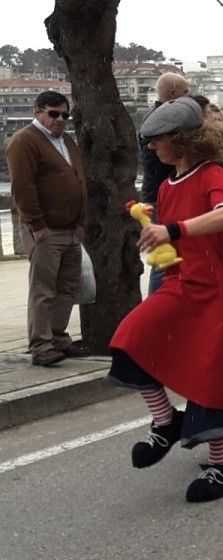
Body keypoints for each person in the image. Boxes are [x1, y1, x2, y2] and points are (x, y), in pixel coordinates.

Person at [109, 96, 223, 502]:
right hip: (181, 284)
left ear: (183, 139)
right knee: (129, 341)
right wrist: (156, 236)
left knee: (212, 378)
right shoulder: (168, 185)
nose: (152, 148)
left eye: (158, 140)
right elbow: (175, 235)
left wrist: (173, 230)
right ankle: (166, 420)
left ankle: (222, 467)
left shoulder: (213, 174)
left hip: (221, 291)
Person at [5, 90, 90, 366]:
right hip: (45, 230)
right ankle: (41, 344)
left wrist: (79, 224)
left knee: (67, 287)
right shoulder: (24, 141)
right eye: (53, 113)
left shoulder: (66, 141)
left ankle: (57, 337)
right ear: (38, 111)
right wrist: (37, 225)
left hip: (71, 229)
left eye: (65, 115)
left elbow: (77, 179)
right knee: (43, 289)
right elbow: (22, 187)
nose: (60, 119)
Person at [142, 73, 190, 294]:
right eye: (185, 91)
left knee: (167, 255)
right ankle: (158, 302)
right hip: (161, 195)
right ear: (172, 93)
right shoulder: (162, 121)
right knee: (165, 255)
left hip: (158, 193)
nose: (188, 95)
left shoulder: (156, 117)